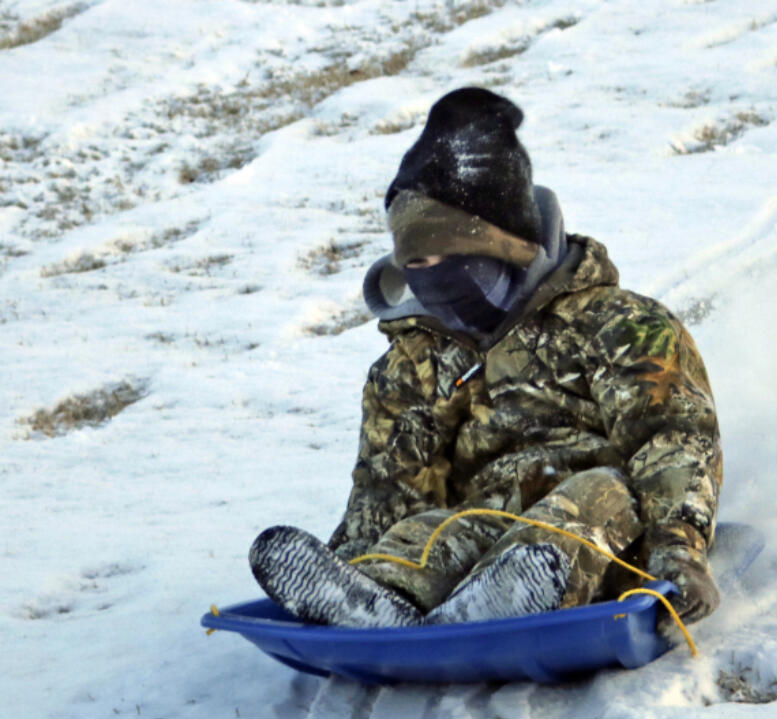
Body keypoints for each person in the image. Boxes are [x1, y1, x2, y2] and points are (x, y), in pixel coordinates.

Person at [249, 87, 722, 631]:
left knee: (595, 495)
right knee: (431, 530)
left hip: (610, 544)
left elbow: (674, 441)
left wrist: (678, 553)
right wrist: (348, 562)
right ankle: (379, 599)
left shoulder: (618, 328)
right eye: (415, 262)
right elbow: (389, 487)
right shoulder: (417, 362)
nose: (429, 276)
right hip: (484, 533)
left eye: (442, 255)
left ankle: (517, 590)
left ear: (500, 245)